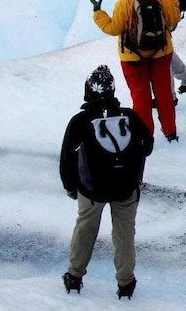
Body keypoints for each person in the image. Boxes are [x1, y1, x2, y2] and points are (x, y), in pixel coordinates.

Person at [60, 65, 153, 299]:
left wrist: (72, 187)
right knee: (124, 235)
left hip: (91, 191)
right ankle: (125, 283)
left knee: (85, 230)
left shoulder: (80, 121)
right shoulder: (129, 116)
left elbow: (66, 159)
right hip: (125, 189)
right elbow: (148, 145)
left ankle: (74, 276)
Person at [91, 0, 181, 141]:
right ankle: (170, 131)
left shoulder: (125, 2)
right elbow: (173, 19)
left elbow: (113, 28)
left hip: (132, 56)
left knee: (140, 96)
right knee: (163, 93)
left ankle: (144, 135)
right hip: (161, 52)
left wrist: (98, 12)